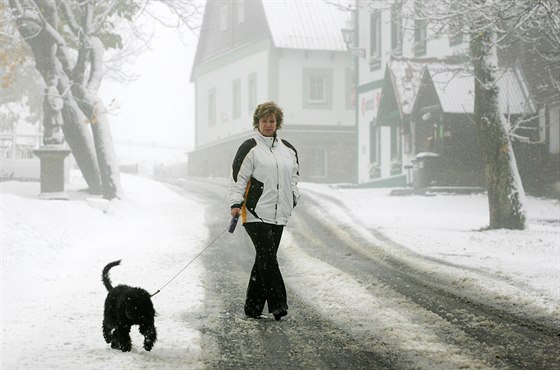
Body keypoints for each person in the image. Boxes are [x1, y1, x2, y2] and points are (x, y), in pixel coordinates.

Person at [228, 101, 300, 320]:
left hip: (280, 214)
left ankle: (253, 307)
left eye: (272, 121)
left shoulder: (287, 149)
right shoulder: (249, 147)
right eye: (264, 121)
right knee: (268, 257)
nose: (268, 125)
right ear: (257, 122)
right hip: (254, 211)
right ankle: (278, 304)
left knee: (264, 259)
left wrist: (294, 195)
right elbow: (239, 179)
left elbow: (295, 176)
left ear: (277, 123)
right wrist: (235, 203)